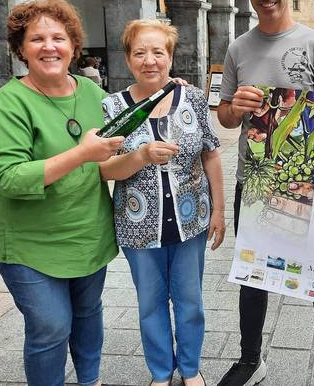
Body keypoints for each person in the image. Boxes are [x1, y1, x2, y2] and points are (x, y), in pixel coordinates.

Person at [216, 0, 314, 386]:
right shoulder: (237, 48)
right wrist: (236, 105)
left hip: (308, 181)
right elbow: (225, 117)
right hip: (253, 181)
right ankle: (250, 359)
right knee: (253, 273)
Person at [0, 0, 124, 386]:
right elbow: (9, 177)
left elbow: (112, 157)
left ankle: (90, 380)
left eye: (58, 37)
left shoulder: (94, 95)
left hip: (86, 232)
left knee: (88, 313)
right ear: (21, 49)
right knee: (51, 326)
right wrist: (81, 154)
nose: (49, 46)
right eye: (36, 39)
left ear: (74, 46)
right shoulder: (9, 103)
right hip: (28, 242)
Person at [99, 19, 225, 386]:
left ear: (170, 57)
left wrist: (219, 209)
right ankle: (160, 371)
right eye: (140, 53)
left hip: (191, 222)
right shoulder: (114, 108)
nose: (149, 60)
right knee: (150, 304)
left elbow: (212, 154)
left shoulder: (193, 99)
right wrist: (139, 156)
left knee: (190, 303)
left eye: (158, 52)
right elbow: (105, 169)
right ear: (127, 59)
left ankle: (190, 369)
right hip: (138, 226)